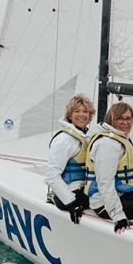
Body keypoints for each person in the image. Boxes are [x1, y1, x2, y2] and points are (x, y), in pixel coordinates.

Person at [84, 101, 133, 232]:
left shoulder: (120, 138)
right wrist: (119, 217)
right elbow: (105, 183)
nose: (125, 122)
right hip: (104, 205)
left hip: (123, 194)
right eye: (120, 118)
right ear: (111, 120)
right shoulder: (107, 144)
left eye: (128, 118)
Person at [44, 94, 95, 224]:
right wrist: (71, 203)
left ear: (90, 115)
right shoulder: (64, 140)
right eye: (76, 111)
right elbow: (52, 175)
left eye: (85, 111)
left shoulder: (87, 135)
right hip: (71, 194)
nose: (81, 115)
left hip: (85, 190)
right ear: (70, 115)